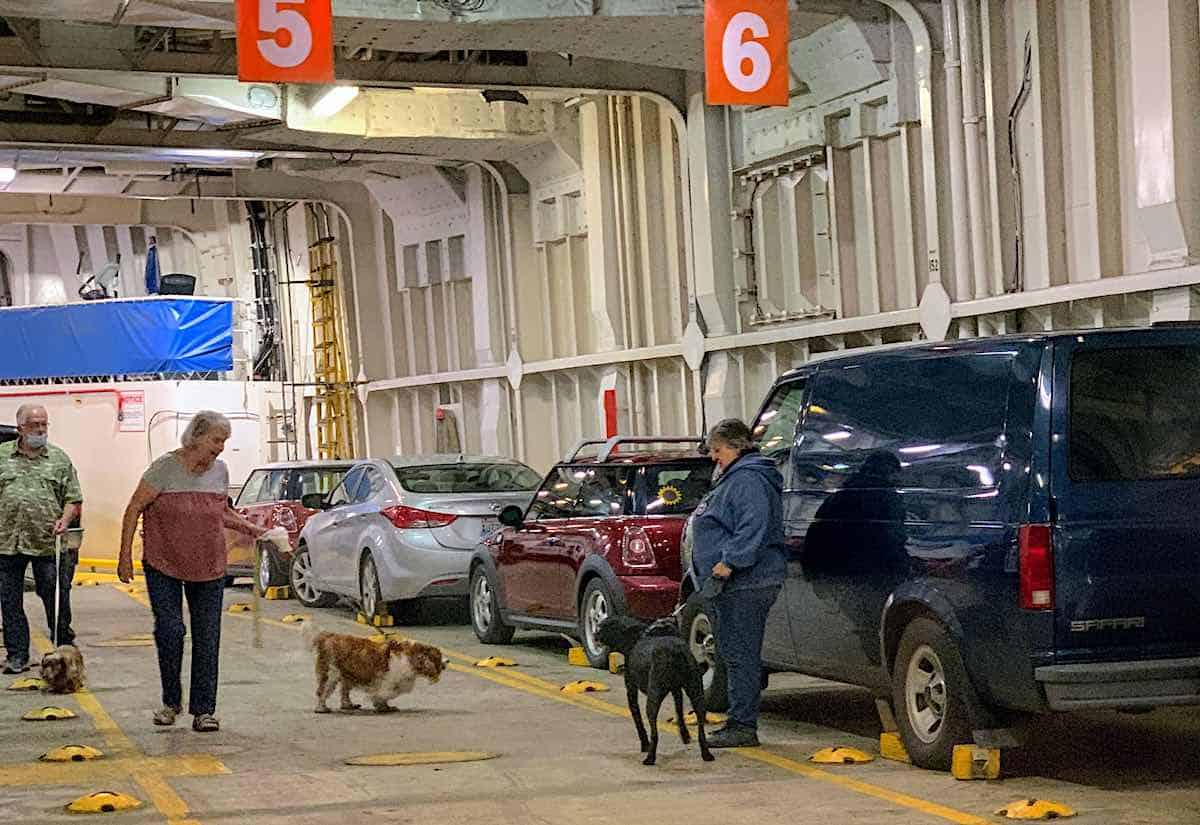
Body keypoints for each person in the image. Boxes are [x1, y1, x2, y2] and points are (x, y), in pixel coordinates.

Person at [118, 411, 266, 732]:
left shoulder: (221, 471)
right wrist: (124, 555)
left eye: (224, 441)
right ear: (196, 436)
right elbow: (134, 508)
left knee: (207, 636)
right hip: (163, 562)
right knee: (170, 631)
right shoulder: (164, 469)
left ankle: (204, 711)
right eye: (216, 440)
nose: (220, 448)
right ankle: (171, 702)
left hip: (209, 563)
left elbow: (221, 513)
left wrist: (253, 530)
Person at [689, 418, 787, 748]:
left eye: (717, 450)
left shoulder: (748, 479)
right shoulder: (736, 476)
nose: (714, 457)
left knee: (741, 654)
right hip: (735, 582)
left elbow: (752, 525)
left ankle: (743, 725)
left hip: (746, 581)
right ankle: (738, 720)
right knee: (733, 652)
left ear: (736, 446)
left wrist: (729, 562)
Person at [0, 404, 82, 674]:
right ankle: (17, 655)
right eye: (35, 424)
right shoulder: (1, 456)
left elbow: (73, 498)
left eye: (44, 424)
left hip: (46, 542)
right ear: (20, 427)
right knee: (10, 601)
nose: (40, 429)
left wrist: (66, 520)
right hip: (7, 542)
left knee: (56, 597)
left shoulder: (59, 459)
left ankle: (63, 650)